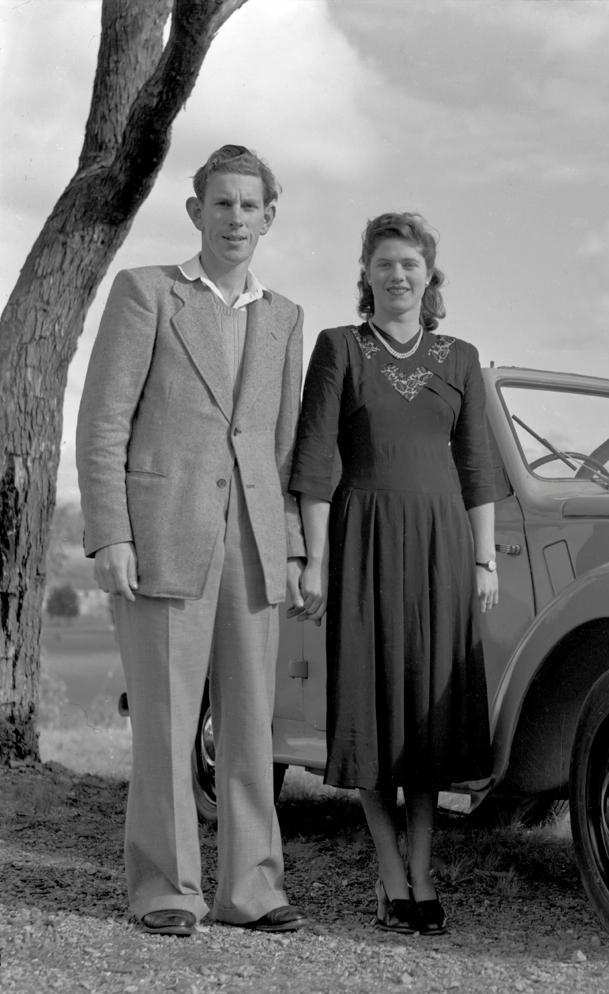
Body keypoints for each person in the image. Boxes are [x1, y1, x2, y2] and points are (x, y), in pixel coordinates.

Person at [76, 144, 308, 937]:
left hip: (253, 548)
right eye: (222, 203)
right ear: (195, 211)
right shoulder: (146, 293)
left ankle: (251, 887)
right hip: (162, 539)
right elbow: (104, 420)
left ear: (268, 217)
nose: (236, 217)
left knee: (250, 730)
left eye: (250, 205)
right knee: (170, 728)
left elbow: (280, 449)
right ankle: (165, 889)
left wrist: (294, 547)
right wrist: (109, 534)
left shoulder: (284, 318)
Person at [289, 212, 497, 935]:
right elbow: (315, 463)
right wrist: (314, 559)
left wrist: (484, 557)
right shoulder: (339, 348)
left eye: (410, 263)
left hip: (443, 545)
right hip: (363, 543)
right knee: (373, 711)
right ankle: (389, 873)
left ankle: (424, 868)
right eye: (385, 263)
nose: (398, 275)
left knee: (428, 719)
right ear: (367, 274)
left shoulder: (461, 358)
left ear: (429, 276)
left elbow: (478, 468)